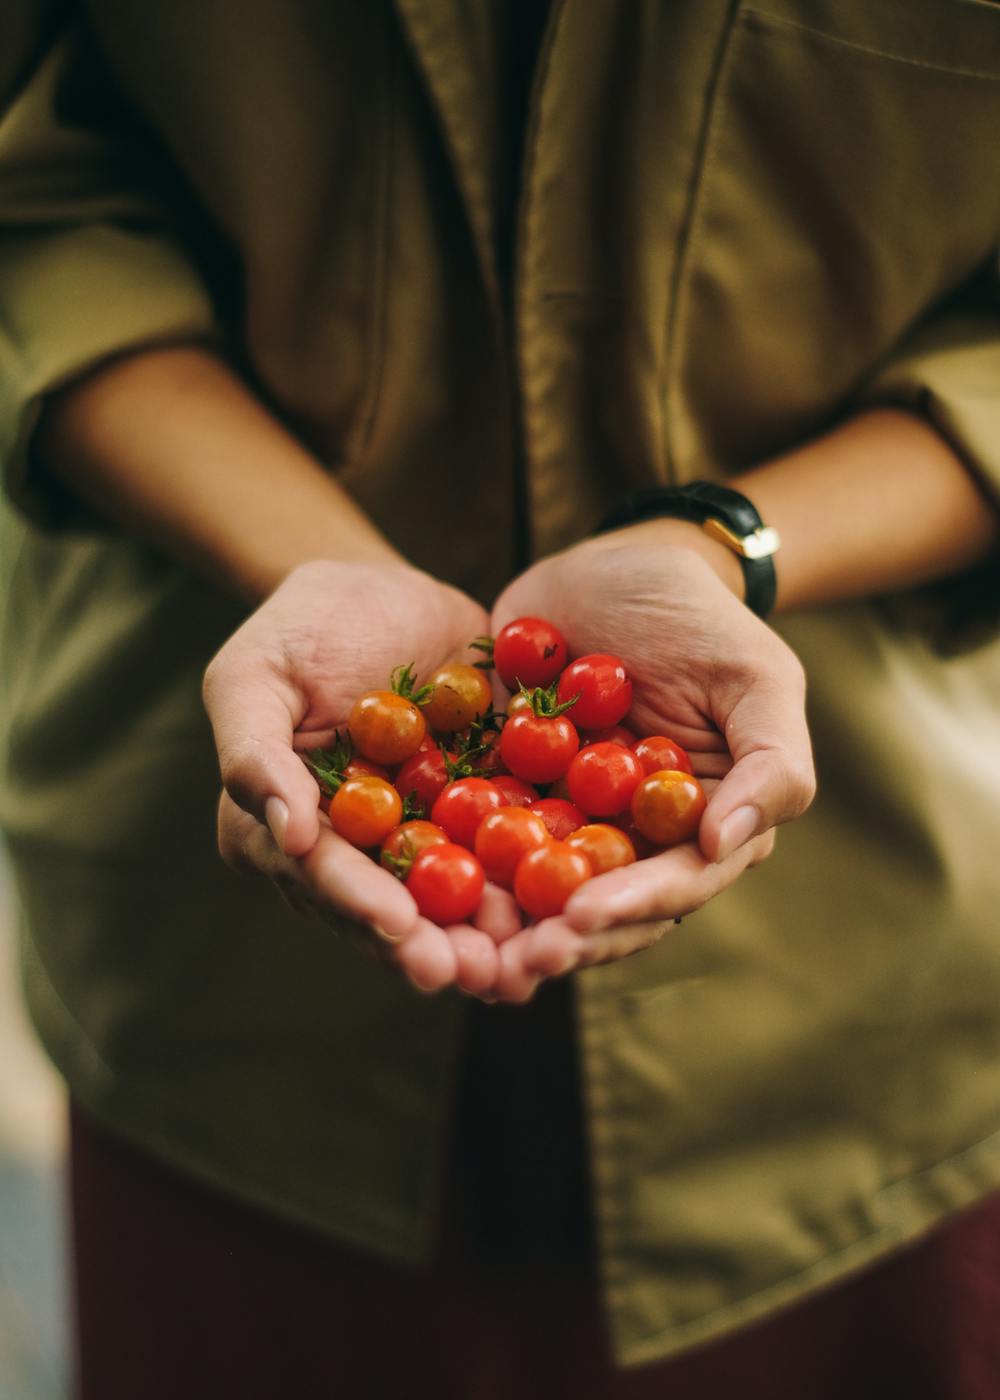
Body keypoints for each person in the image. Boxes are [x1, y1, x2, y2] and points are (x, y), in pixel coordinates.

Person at [2, 2, 1000, 1395]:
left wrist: (718, 549)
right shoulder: (472, 764)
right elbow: (34, 203)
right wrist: (319, 562)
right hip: (226, 1006)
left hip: (859, 1017)